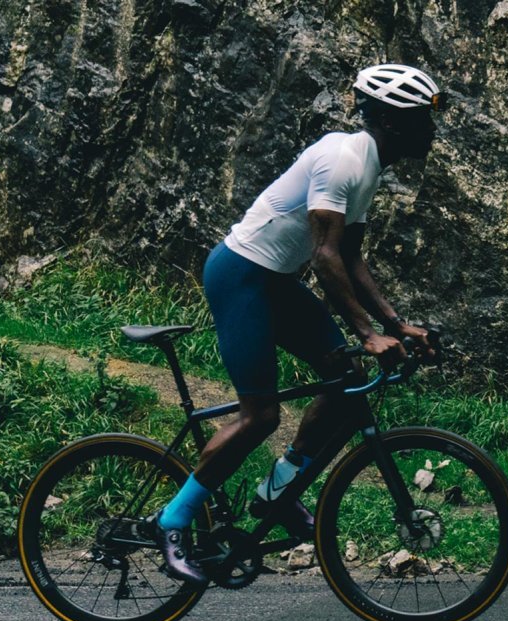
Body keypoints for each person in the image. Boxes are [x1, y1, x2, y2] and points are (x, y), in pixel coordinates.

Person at [159, 64, 443, 581]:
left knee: (348, 382)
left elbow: (353, 259)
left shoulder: (368, 167)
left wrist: (396, 325)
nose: (432, 129)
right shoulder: (342, 159)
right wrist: (367, 333)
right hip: (241, 276)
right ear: (392, 120)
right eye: (424, 118)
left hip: (274, 282)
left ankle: (277, 490)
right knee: (260, 416)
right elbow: (325, 257)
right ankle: (173, 521)